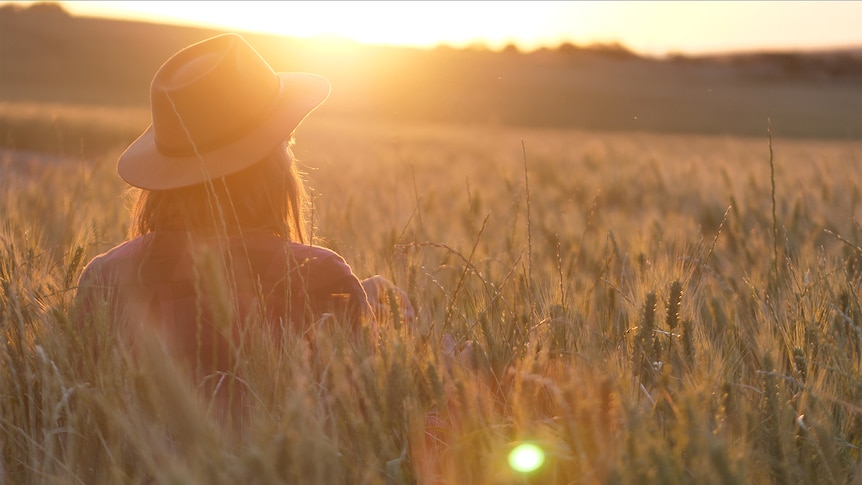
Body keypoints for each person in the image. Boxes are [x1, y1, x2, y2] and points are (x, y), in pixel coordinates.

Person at [75, 33, 413, 414]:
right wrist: (401, 344)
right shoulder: (320, 280)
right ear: (269, 163)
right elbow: (358, 427)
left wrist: (355, 300)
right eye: (287, 143)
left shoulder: (104, 279)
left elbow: (86, 415)